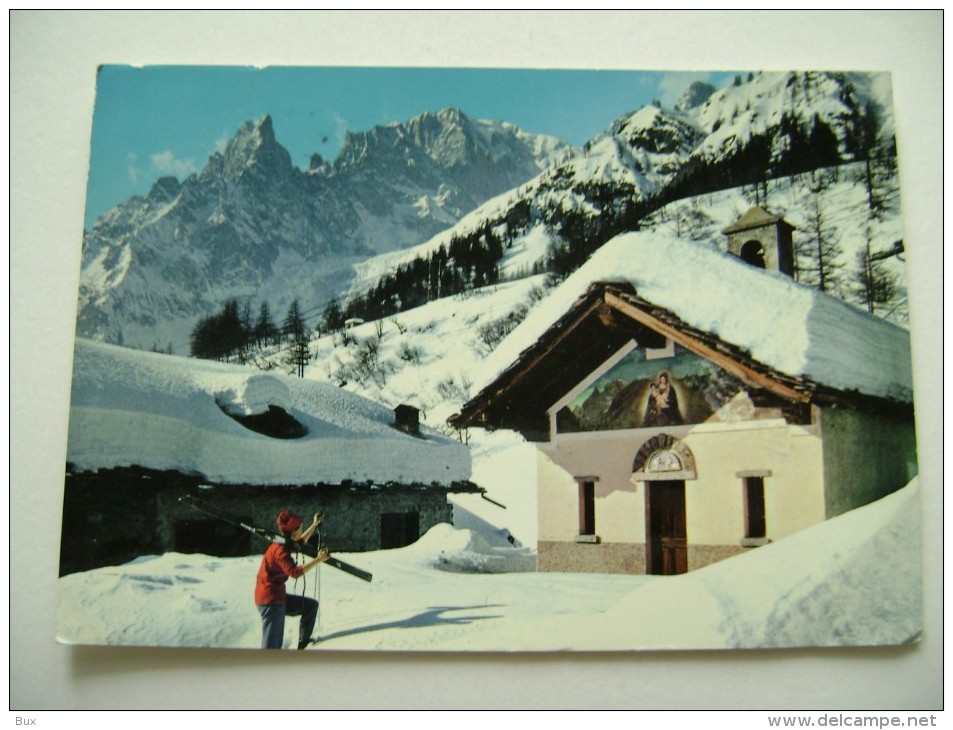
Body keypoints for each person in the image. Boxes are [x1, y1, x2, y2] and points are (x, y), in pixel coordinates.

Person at [255, 509, 328, 650]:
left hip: (277, 596)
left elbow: (299, 543)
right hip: (270, 601)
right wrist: (318, 560)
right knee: (272, 645)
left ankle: (304, 644)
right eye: (300, 528)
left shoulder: (286, 542)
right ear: (294, 531)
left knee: (310, 606)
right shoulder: (280, 550)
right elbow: (294, 572)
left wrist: (314, 525)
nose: (301, 530)